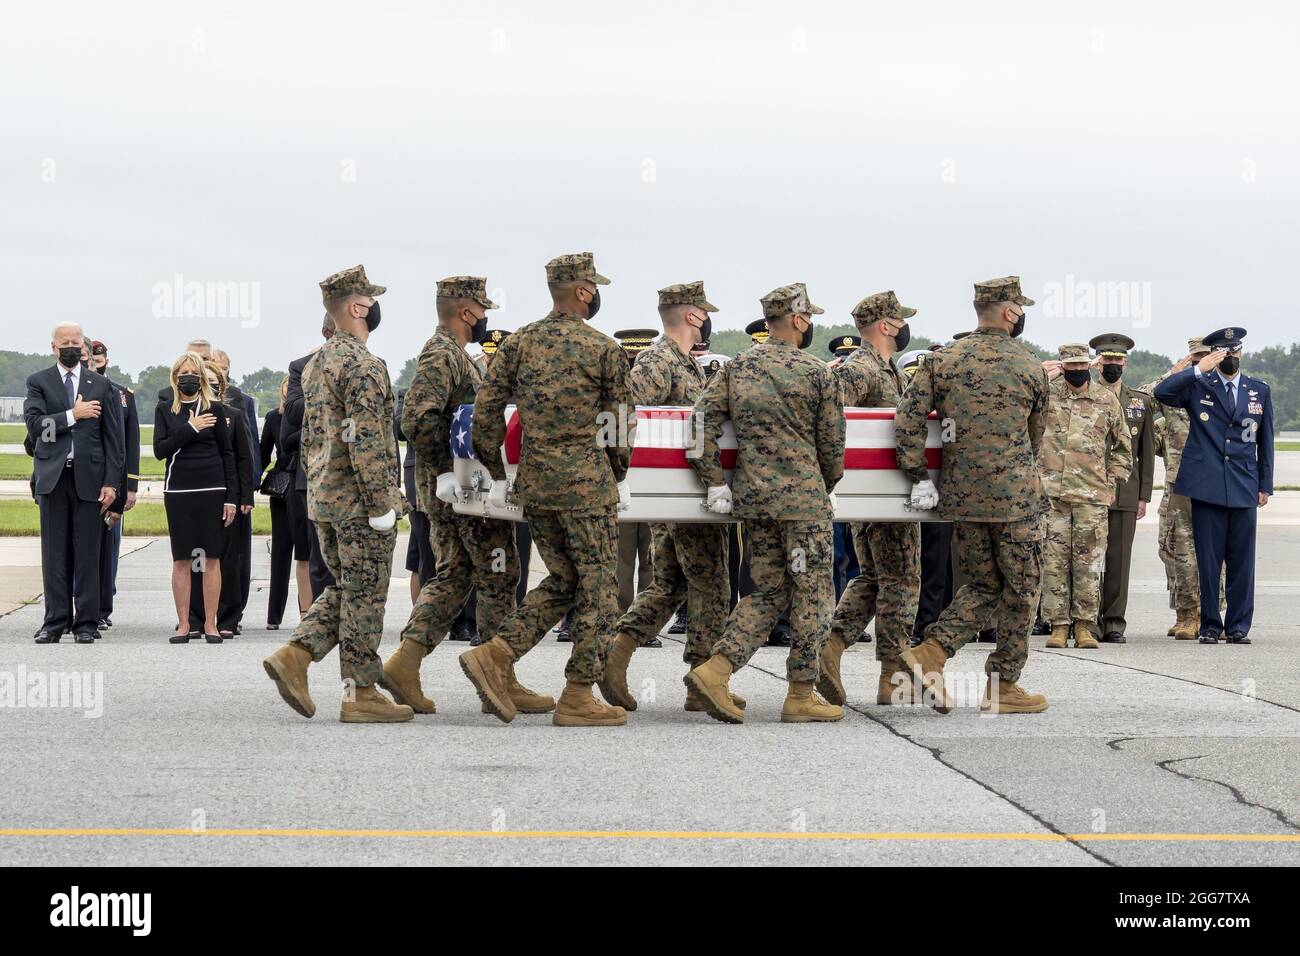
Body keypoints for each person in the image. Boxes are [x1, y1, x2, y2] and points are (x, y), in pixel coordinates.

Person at [464, 252, 631, 727]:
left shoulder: (518, 344)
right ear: (583, 291)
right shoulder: (602, 348)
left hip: (536, 485)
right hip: (585, 486)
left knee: (565, 580)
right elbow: (620, 424)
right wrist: (614, 472)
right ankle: (578, 694)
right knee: (600, 588)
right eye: (594, 287)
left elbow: (486, 413)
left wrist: (497, 471)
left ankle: (497, 653)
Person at [379, 276, 551, 718]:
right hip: (461, 489)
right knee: (499, 572)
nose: (485, 318)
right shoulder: (442, 353)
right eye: (482, 310)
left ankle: (405, 663)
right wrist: (445, 471)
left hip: (459, 488)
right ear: (467, 312)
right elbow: (416, 418)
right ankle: (499, 676)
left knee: (456, 574)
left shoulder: (453, 354)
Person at [684, 282, 845, 724]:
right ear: (796, 319)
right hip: (804, 502)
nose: (810, 325)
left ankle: (716, 670)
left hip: (754, 500)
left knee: (770, 590)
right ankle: (800, 693)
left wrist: (715, 481)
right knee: (813, 594)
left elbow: (699, 424)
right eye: (808, 317)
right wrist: (821, 484)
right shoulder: (817, 372)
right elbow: (833, 447)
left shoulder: (738, 367)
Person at [262, 264, 411, 723]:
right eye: (370, 300)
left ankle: (296, 655)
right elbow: (367, 441)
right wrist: (382, 502)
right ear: (356, 307)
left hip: (325, 497)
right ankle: (360, 692)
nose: (375, 307)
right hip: (361, 503)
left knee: (346, 588)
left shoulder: (317, 363)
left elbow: (310, 439)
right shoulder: (364, 364)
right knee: (367, 595)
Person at [895, 276, 1049, 715]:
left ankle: (932, 654)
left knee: (983, 583)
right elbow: (1034, 438)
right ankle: (1004, 684)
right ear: (1011, 312)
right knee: (1022, 589)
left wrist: (919, 475)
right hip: (1015, 497)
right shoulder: (1029, 365)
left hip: (961, 495)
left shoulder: (943, 361)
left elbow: (907, 421)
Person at [600, 283, 734, 712]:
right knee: (711, 583)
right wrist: (623, 476)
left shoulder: (686, 364)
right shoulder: (660, 360)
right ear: (693, 316)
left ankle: (621, 658)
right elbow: (624, 413)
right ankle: (702, 681)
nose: (707, 319)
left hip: (687, 499)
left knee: (672, 584)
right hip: (679, 501)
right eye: (704, 312)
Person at [820, 291, 921, 707]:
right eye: (901, 321)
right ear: (886, 326)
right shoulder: (861, 368)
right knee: (902, 580)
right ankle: (891, 674)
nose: (905, 328)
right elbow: (829, 414)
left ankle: (832, 646)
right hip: (881, 498)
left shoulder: (887, 368)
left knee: (875, 578)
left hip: (882, 495)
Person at [1154, 327, 1272, 645]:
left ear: (1242, 353)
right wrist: (1195, 369)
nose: (1230, 357)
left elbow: (1266, 441)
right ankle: (1209, 623)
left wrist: (1266, 485)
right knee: (1208, 560)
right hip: (1206, 486)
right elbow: (1162, 393)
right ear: (1213, 355)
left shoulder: (1257, 390)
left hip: (1245, 485)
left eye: (1235, 351)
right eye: (1223, 352)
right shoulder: (1199, 386)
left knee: (1242, 561)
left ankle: (1238, 626)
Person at [25, 323, 124, 644]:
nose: (69, 347)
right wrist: (73, 414)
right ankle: (54, 622)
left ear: (83, 347)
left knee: (88, 553)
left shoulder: (101, 385)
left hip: (90, 480)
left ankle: (86, 622)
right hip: (54, 478)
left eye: (74, 342)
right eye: (63, 342)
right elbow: (37, 425)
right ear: (53, 348)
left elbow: (114, 440)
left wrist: (112, 482)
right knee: (54, 554)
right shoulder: (39, 382)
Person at [1037, 343, 1131, 649]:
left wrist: (1112, 482)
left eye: (1081, 366)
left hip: (1091, 497)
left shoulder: (1105, 400)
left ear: (1089, 366)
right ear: (1062, 367)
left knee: (1088, 564)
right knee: (1053, 564)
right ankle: (1059, 626)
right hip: (1052, 497)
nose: (1076, 372)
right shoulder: (1046, 395)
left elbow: (1122, 448)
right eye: (1070, 367)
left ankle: (1085, 626)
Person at [1137, 337, 1218, 639]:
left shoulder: (1219, 390)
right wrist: (1172, 375)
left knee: (1212, 553)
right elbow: (1139, 402)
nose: (1199, 363)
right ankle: (1185, 613)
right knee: (1175, 550)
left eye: (1204, 358)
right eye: (1194, 359)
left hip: (1211, 484)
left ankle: (1210, 614)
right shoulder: (1175, 391)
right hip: (1178, 484)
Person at [154, 352, 237, 643]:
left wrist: (231, 498)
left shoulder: (215, 409)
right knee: (182, 560)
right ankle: (183, 623)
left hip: (212, 490)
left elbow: (228, 454)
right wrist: (190, 428)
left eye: (193, 373)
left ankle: (211, 623)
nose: (188, 378)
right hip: (178, 491)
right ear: (175, 378)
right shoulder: (165, 409)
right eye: (182, 373)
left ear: (201, 377)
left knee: (212, 558)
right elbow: (160, 450)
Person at [1089, 333, 1155, 644]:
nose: (1112, 364)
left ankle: (1113, 621)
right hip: (1087, 489)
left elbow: (1146, 454)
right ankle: (1086, 621)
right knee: (1087, 559)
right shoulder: (1083, 396)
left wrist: (1143, 496)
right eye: (1107, 359)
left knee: (1119, 560)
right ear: (1096, 362)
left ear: (1125, 362)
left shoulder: (1139, 402)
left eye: (1118, 360)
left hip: (1125, 493)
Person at [281, 316, 337, 602]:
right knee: (320, 558)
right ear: (326, 331)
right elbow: (292, 410)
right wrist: (327, 388)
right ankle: (320, 619)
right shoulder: (302, 366)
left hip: (358, 476)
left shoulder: (373, 364)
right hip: (316, 475)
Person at [89, 339, 139, 632]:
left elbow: (129, 444)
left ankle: (104, 606)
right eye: (90, 357)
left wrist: (130, 486)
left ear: (107, 358)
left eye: (100, 356)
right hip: (86, 481)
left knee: (110, 547)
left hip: (114, 485)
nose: (96, 360)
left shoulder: (123, 395)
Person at [611, 328, 656, 623]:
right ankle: (623, 616)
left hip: (653, 476)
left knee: (648, 558)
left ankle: (641, 621)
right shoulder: (614, 392)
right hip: (628, 477)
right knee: (624, 558)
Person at [259, 376, 304, 629]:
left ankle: (306, 613)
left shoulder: (314, 415)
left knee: (306, 554)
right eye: (287, 391)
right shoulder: (274, 418)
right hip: (283, 488)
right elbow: (264, 453)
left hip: (307, 484)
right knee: (281, 551)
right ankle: (273, 617)